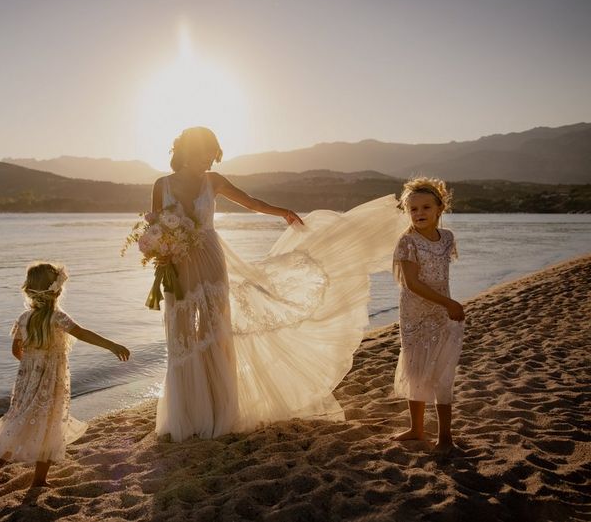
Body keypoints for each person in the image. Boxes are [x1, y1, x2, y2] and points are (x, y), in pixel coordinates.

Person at [150, 126, 408, 442]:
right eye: (206, 152)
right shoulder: (160, 184)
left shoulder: (213, 181)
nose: (209, 160)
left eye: (212, 154)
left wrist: (282, 212)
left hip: (211, 261)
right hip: (177, 266)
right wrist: (158, 264)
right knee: (181, 333)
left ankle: (216, 411)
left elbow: (250, 202)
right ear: (189, 149)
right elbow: (154, 227)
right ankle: (185, 412)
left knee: (214, 332)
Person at [0, 262, 130, 488]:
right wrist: (112, 346)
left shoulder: (24, 318)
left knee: (21, 422)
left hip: (27, 382)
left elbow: (15, 350)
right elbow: (82, 333)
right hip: (52, 382)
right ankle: (39, 479)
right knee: (50, 424)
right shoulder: (58, 317)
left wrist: (32, 365)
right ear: (57, 290)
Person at [391, 177, 464, 456]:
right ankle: (417, 429)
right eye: (413, 209)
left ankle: (445, 436)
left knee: (443, 372)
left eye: (425, 207)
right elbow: (412, 284)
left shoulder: (447, 239)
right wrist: (449, 303)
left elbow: (441, 275)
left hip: (442, 314)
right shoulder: (407, 242)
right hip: (414, 314)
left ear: (439, 208)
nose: (419, 213)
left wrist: (447, 306)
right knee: (416, 368)